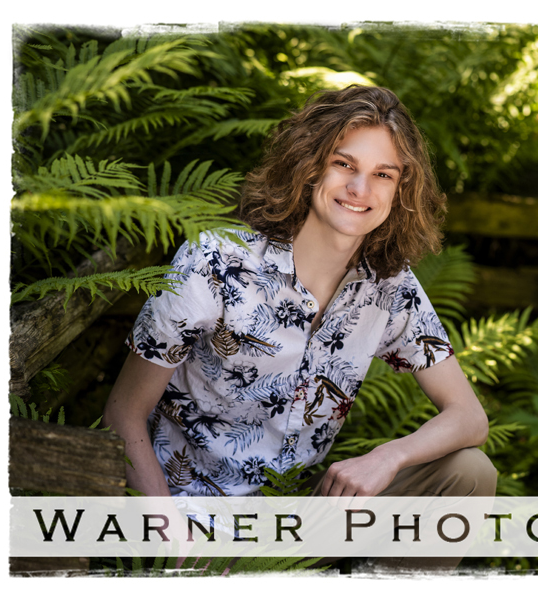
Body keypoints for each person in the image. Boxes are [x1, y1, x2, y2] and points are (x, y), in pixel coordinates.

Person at [102, 86, 495, 524]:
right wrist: (164, 527)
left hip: (297, 518)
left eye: (384, 174)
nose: (360, 188)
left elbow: (469, 417)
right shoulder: (216, 262)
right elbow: (124, 413)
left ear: (401, 189)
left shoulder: (389, 286)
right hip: (192, 515)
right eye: (343, 164)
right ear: (309, 167)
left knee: (468, 473)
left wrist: (388, 457)